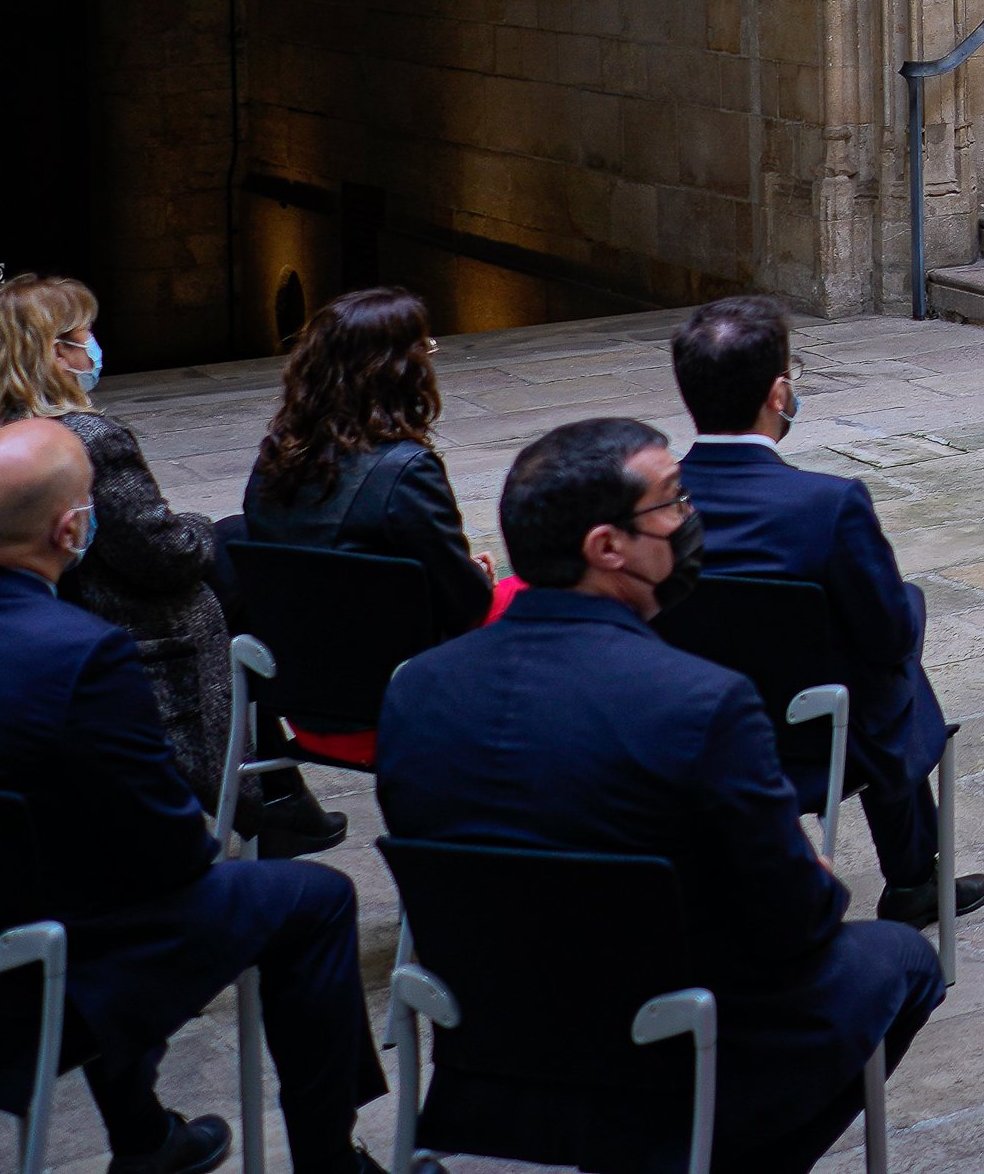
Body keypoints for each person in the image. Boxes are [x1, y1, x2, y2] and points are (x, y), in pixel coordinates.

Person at [0, 417, 389, 1174]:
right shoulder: (78, 650)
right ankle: (327, 1162)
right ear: (69, 527)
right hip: (30, 978)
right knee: (312, 900)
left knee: (84, 878)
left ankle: (145, 1136)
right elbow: (171, 853)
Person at [378, 419, 944, 1174]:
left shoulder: (417, 687)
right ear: (608, 547)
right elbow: (798, 923)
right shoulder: (699, 701)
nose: (688, 518)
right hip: (676, 1056)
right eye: (672, 502)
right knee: (906, 957)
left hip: (496, 1056)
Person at [0, 276, 285, 841]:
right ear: (57, 352)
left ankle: (279, 792)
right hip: (115, 625)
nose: (95, 347)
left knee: (236, 542)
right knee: (242, 552)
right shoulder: (84, 436)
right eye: (87, 335)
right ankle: (265, 789)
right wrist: (202, 530)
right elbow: (162, 555)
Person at [669, 296, 984, 928]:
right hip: (818, 742)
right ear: (779, 393)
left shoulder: (654, 507)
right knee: (899, 638)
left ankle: (912, 874)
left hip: (695, 737)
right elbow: (889, 634)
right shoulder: (828, 505)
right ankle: (913, 876)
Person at [236, 285, 500, 782]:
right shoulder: (407, 470)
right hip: (392, 706)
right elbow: (466, 606)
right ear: (399, 368)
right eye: (425, 346)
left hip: (301, 703)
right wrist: (473, 577)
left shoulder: (273, 459)